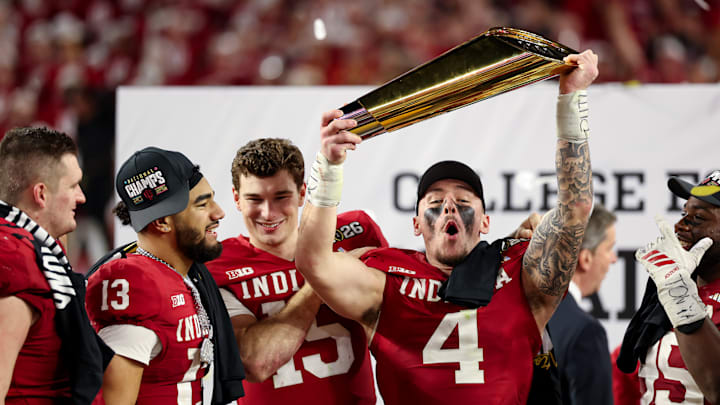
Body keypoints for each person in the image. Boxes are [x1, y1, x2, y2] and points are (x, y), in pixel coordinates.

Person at [295, 49, 599, 404]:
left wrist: (572, 96)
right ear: (416, 224)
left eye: (464, 200)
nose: (450, 205)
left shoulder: (520, 273)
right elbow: (313, 261)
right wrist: (328, 166)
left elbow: (576, 207)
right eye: (435, 201)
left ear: (486, 222)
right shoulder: (387, 279)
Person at [205, 138, 389, 404]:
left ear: (303, 193)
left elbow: (399, 325)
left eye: (281, 197)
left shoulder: (356, 232)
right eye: (254, 199)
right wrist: (323, 273)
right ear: (236, 199)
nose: (268, 213)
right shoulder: (216, 264)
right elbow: (255, 363)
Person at [85, 147, 245, 404]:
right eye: (202, 204)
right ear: (162, 222)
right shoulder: (134, 282)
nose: (219, 213)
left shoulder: (189, 274)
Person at [0, 127, 112, 404]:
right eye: (73, 186)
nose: (82, 197)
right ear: (41, 194)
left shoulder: (37, 247)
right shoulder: (14, 257)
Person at [617, 171, 720, 404]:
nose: (680, 224)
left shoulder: (676, 288)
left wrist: (682, 298)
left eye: (698, 218)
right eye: (684, 213)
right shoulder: (666, 286)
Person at [548, 204, 617, 405]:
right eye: (609, 249)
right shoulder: (585, 333)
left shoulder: (516, 312)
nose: (613, 259)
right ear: (585, 258)